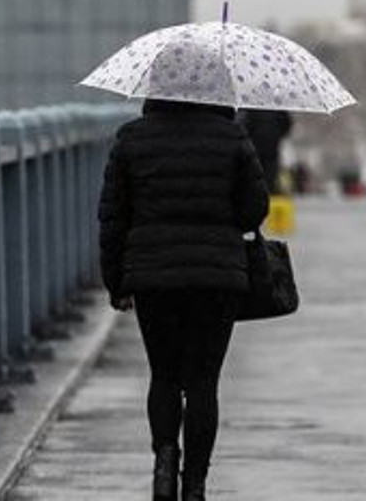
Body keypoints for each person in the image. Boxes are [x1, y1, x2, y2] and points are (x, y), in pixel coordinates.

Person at [98, 99, 270, 501]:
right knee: (203, 383)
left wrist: (115, 283)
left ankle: (163, 463)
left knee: (164, 375)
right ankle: (195, 485)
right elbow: (253, 210)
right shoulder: (232, 136)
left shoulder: (131, 138)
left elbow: (113, 217)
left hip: (153, 277)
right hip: (217, 277)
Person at [238, 109, 293, 194]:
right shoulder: (278, 108)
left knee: (253, 182)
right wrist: (277, 135)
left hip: (254, 150)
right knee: (268, 182)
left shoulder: (251, 107)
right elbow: (287, 125)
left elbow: (244, 125)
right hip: (271, 150)